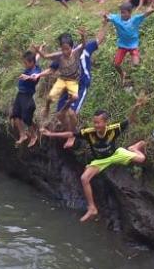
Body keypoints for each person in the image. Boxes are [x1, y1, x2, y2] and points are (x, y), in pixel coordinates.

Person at [40, 94, 148, 222]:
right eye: (94, 122)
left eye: (98, 123)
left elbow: (130, 120)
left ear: (105, 122)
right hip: (100, 160)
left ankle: (134, 148)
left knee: (141, 159)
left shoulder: (113, 129)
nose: (96, 125)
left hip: (115, 154)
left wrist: (136, 107)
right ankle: (92, 208)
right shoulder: (89, 132)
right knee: (84, 178)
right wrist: (51, 133)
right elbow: (71, 134)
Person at [105, 2, 154, 86]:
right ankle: (123, 74)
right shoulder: (116, 18)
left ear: (130, 13)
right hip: (122, 45)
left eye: (124, 12)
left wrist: (153, 10)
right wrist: (106, 17)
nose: (122, 14)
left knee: (136, 64)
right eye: (121, 12)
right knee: (116, 64)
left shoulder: (135, 19)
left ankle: (135, 79)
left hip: (133, 45)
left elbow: (144, 14)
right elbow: (108, 16)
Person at [11, 50, 41, 146]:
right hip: (20, 94)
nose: (24, 65)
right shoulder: (32, 64)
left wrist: (27, 77)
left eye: (26, 63)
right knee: (15, 115)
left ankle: (34, 136)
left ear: (31, 63)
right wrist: (40, 50)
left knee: (26, 118)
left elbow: (34, 77)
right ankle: (23, 135)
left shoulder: (35, 71)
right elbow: (36, 57)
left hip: (27, 96)